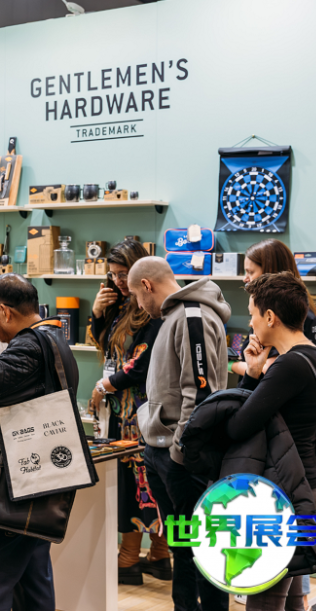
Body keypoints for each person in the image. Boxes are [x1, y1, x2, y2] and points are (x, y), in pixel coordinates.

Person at [0, 274, 78, 611]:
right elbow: (27, 400)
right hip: (36, 480)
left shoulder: (29, 346)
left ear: (5, 312)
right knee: (31, 581)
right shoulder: (52, 338)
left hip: (14, 487)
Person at [128, 256, 231, 611]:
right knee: (183, 548)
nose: (139, 305)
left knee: (201, 550)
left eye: (136, 296)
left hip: (182, 458)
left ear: (146, 285)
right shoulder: (175, 316)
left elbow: (199, 394)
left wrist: (179, 453)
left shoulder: (192, 317)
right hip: (163, 451)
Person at [229, 272, 316, 611]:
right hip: (306, 484)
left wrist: (252, 374)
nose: (251, 322)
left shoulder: (289, 366)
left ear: (270, 316)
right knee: (289, 597)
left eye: (253, 314)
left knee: (265, 598)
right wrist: (258, 370)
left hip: (286, 490)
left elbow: (239, 425)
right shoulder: (313, 355)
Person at [87, 240, 168, 585]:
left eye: (124, 274)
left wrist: (104, 386)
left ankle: (131, 558)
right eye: (114, 275)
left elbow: (141, 364)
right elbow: (104, 346)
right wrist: (97, 312)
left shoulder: (153, 308)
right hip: (122, 410)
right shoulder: (121, 305)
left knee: (141, 482)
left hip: (141, 410)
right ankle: (157, 556)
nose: (119, 281)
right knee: (134, 480)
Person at [231, 239, 316, 377]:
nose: (245, 279)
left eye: (250, 272)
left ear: (269, 273)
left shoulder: (288, 316)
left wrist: (229, 364)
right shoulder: (305, 312)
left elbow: (268, 369)